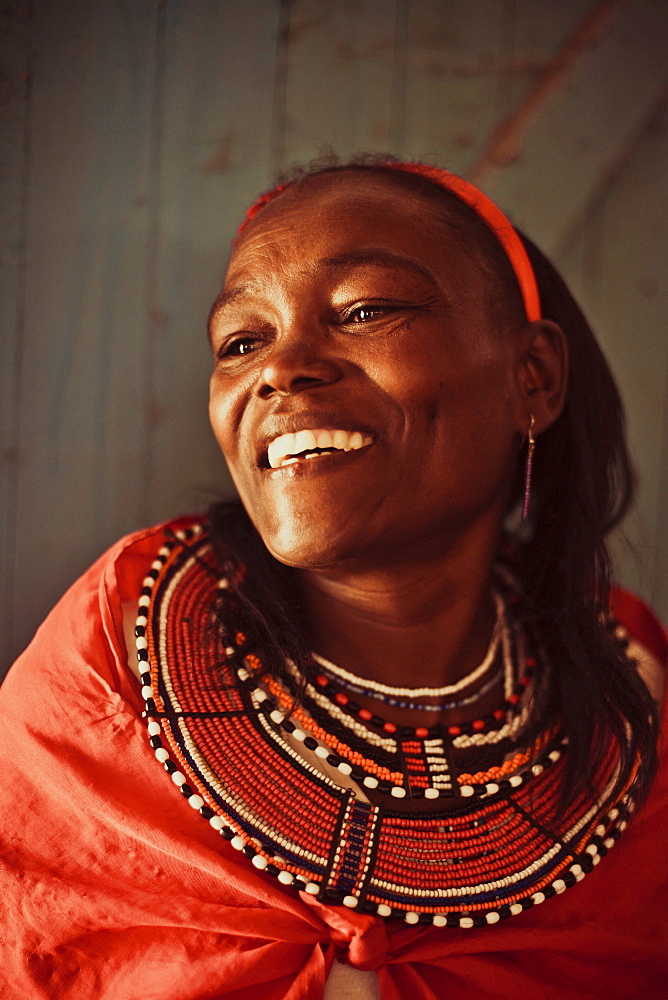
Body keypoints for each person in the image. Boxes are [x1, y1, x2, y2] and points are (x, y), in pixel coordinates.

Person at [1, 157, 666, 1000]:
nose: (280, 369)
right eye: (242, 341)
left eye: (364, 311)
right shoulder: (114, 654)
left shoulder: (631, 684)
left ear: (531, 378)